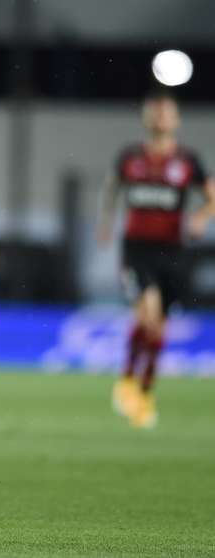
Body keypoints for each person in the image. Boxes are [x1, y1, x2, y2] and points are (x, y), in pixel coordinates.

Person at [99, 89, 215, 428]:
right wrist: (106, 223)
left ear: (176, 120)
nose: (161, 117)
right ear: (147, 118)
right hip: (137, 250)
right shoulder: (130, 157)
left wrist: (201, 217)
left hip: (173, 253)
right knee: (148, 316)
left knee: (158, 330)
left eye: (167, 112)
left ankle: (144, 390)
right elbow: (112, 188)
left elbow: (211, 197)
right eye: (156, 111)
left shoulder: (188, 161)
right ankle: (126, 379)